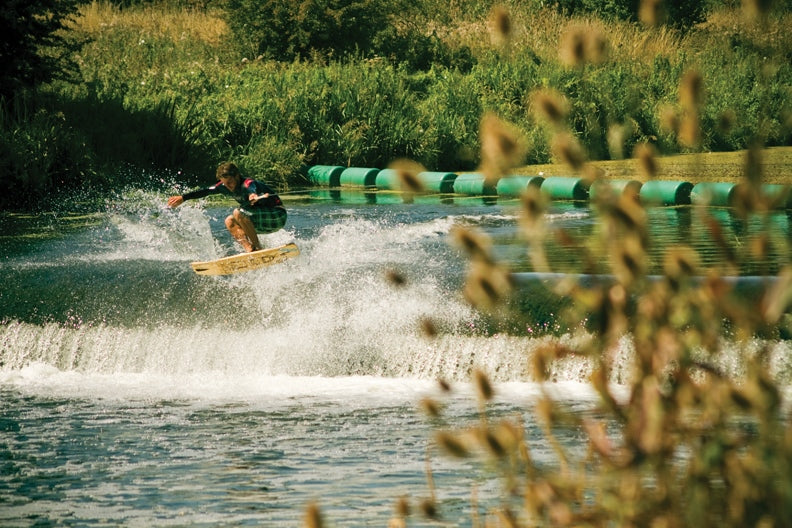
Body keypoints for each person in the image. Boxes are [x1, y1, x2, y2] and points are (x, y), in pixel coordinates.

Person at [167, 162, 287, 253]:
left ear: (237, 176)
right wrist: (183, 198)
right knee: (229, 221)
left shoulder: (248, 183)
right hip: (262, 221)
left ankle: (258, 247)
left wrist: (253, 195)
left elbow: (251, 188)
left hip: (277, 215)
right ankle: (250, 250)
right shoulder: (222, 186)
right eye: (224, 183)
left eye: (230, 182)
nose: (228, 186)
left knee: (237, 213)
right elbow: (205, 191)